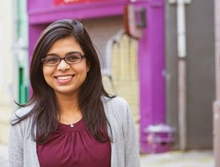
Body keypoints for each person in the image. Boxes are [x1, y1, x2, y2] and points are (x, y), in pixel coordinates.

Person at [9, 19, 140, 167]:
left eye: (73, 58)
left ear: (88, 63)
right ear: (41, 68)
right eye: (52, 60)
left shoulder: (119, 111)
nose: (63, 66)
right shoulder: (22, 123)